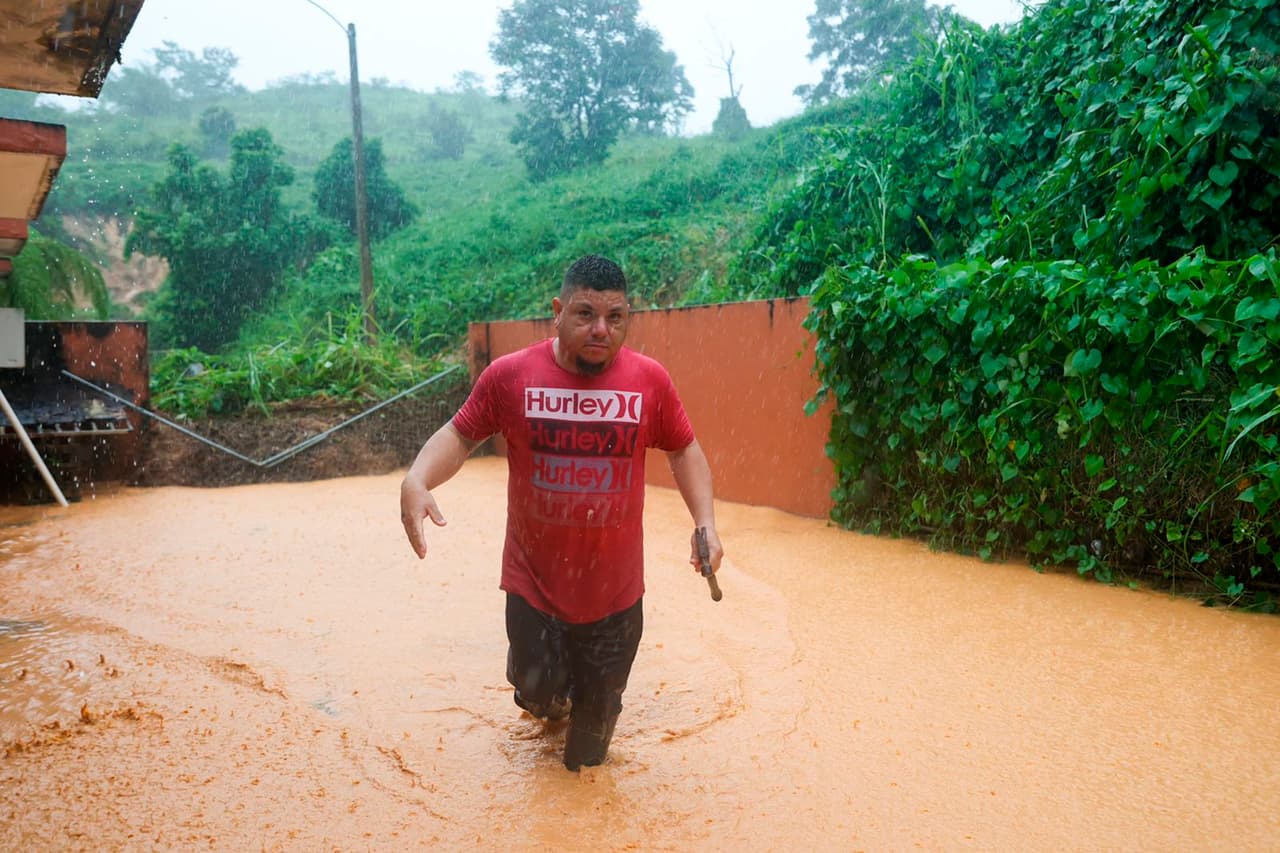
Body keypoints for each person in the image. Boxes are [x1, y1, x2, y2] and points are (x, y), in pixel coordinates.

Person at [399, 253, 723, 771]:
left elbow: (684, 450)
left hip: (616, 602)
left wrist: (704, 522)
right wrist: (417, 480)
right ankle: (544, 689)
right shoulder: (512, 377)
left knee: (587, 764)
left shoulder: (649, 382)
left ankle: (586, 707)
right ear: (557, 310)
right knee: (539, 699)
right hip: (535, 591)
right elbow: (461, 434)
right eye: (585, 314)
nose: (601, 330)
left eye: (615, 318)